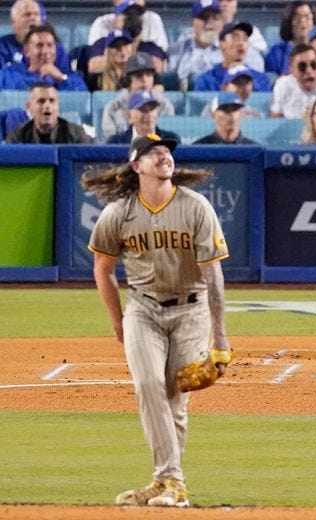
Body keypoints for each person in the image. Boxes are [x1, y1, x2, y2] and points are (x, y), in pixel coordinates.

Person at [83, 133, 232, 508]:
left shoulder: (195, 206)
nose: (164, 155)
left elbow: (213, 275)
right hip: (142, 309)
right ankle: (173, 483)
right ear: (137, 166)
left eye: (167, 151)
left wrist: (220, 337)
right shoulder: (119, 212)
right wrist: (118, 323)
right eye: (154, 153)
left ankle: (164, 482)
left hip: (192, 310)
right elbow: (103, 268)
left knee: (175, 398)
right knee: (149, 384)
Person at [101, 52, 175, 141]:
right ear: (128, 80)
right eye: (138, 75)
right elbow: (110, 142)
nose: (144, 79)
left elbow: (167, 136)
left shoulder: (164, 105)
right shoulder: (113, 107)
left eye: (148, 75)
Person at [86, 1, 167, 75]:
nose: (133, 18)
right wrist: (136, 62)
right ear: (116, 20)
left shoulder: (149, 46)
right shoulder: (103, 43)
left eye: (137, 14)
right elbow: (93, 67)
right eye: (127, 14)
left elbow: (157, 67)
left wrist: (117, 59)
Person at [0, 24, 87, 91]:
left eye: (50, 45)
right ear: (26, 51)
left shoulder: (69, 76)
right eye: (39, 45)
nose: (45, 51)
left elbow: (83, 98)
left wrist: (60, 78)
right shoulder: (8, 75)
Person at [192, 21, 272, 92]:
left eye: (244, 39)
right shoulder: (206, 80)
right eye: (235, 38)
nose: (241, 43)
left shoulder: (260, 79)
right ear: (221, 43)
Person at [6, 82, 92, 144]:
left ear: (58, 105)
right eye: (41, 101)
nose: (47, 106)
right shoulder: (17, 137)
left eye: (52, 101)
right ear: (29, 107)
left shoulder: (76, 134)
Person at [167, 0, 224, 87]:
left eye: (215, 17)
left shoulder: (230, 50)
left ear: (222, 23)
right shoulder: (176, 50)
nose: (210, 22)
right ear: (193, 22)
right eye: (204, 17)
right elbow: (169, 83)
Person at [0, 0, 69, 71]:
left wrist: (58, 75)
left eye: (36, 14)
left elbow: (67, 74)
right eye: (27, 14)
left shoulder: (56, 48)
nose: (33, 18)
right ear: (13, 22)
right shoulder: (2, 47)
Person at [106, 90, 180, 144]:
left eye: (152, 109)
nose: (149, 114)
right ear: (130, 116)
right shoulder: (115, 142)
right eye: (143, 109)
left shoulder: (171, 140)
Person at [265, 1, 314, 76]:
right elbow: (270, 79)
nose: (303, 21)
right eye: (297, 17)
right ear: (289, 22)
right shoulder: (276, 52)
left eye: (308, 16)